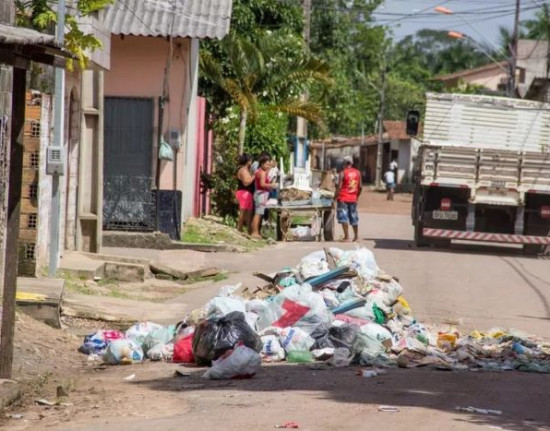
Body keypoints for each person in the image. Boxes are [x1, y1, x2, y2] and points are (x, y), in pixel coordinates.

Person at [251, 155, 278, 238]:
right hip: (261, 195)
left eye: (269, 165)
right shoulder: (262, 173)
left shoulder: (259, 171)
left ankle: (255, 231)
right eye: (266, 164)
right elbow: (262, 184)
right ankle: (254, 232)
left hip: (260, 194)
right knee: (258, 214)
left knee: (258, 213)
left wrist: (271, 166)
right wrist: (271, 185)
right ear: (262, 164)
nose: (268, 166)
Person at [336, 155, 362, 242]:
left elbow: (339, 187)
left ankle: (346, 237)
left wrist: (335, 197)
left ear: (344, 163)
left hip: (343, 198)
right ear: (352, 163)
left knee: (344, 217)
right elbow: (360, 187)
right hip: (353, 198)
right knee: (354, 216)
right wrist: (356, 196)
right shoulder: (358, 173)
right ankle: (356, 237)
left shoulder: (342, 173)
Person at [236, 153, 254, 234]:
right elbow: (246, 183)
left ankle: (249, 230)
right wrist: (254, 176)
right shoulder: (243, 170)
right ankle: (239, 228)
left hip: (247, 193)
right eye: (251, 160)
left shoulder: (246, 170)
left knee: (248, 213)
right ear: (248, 161)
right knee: (243, 212)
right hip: (244, 193)